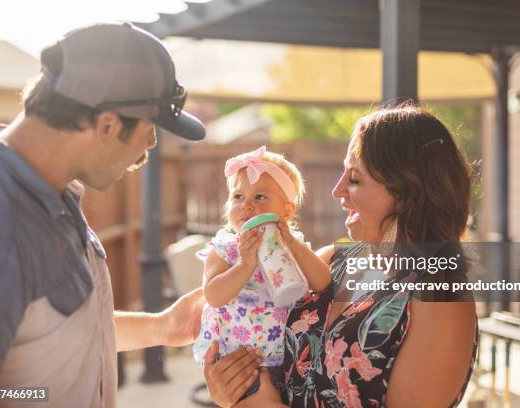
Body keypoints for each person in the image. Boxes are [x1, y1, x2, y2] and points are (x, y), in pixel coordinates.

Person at [0, 22, 219, 407]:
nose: (151, 145)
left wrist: (163, 326)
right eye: (150, 128)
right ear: (107, 124)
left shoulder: (53, 195)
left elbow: (47, 331)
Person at [203, 104, 478, 407]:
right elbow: (226, 308)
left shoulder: (442, 298)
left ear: (405, 191)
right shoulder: (332, 260)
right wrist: (225, 387)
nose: (337, 190)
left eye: (355, 179)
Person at [193, 146, 331, 398]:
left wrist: (293, 245)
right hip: (237, 360)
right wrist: (244, 265)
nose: (246, 205)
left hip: (287, 359)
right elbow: (213, 295)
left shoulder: (291, 245)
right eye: (238, 197)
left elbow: (322, 282)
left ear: (286, 212)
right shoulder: (225, 249)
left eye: (259, 197)